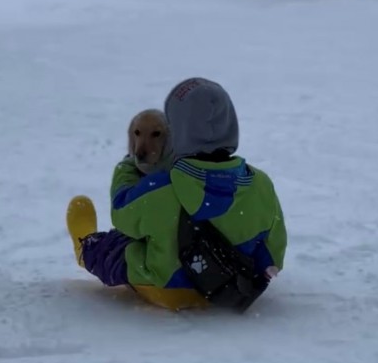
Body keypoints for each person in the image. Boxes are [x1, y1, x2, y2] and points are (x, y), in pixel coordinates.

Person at [66, 77, 287, 311]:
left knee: (117, 246)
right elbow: (274, 244)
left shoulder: (162, 188)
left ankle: (85, 245)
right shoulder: (260, 183)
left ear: (177, 131)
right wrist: (264, 268)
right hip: (230, 287)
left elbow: (122, 214)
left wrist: (128, 167)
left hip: (168, 288)